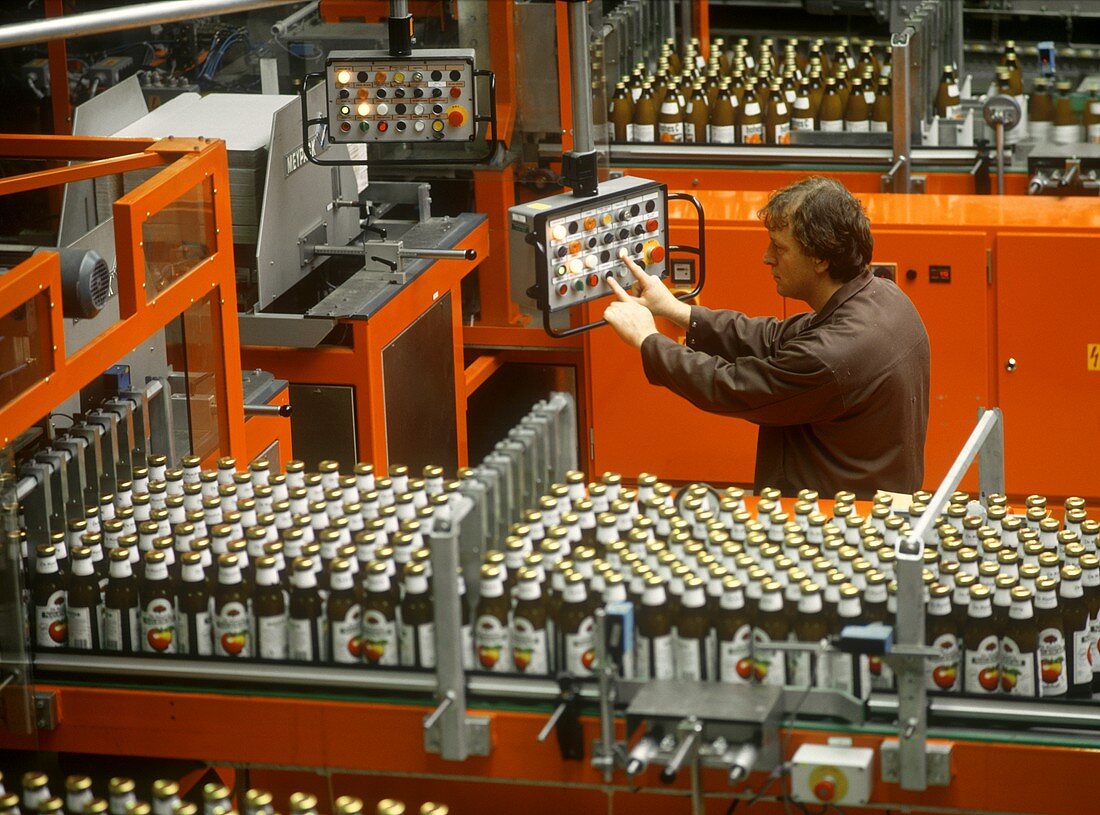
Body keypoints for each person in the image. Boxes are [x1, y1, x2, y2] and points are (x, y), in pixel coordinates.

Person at [602, 176, 930, 499]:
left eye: (780, 247)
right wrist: (677, 311)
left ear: (820, 258)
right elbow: (773, 337)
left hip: (833, 526)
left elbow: (730, 386)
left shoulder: (833, 353)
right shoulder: (882, 297)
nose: (766, 257)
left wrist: (648, 339)